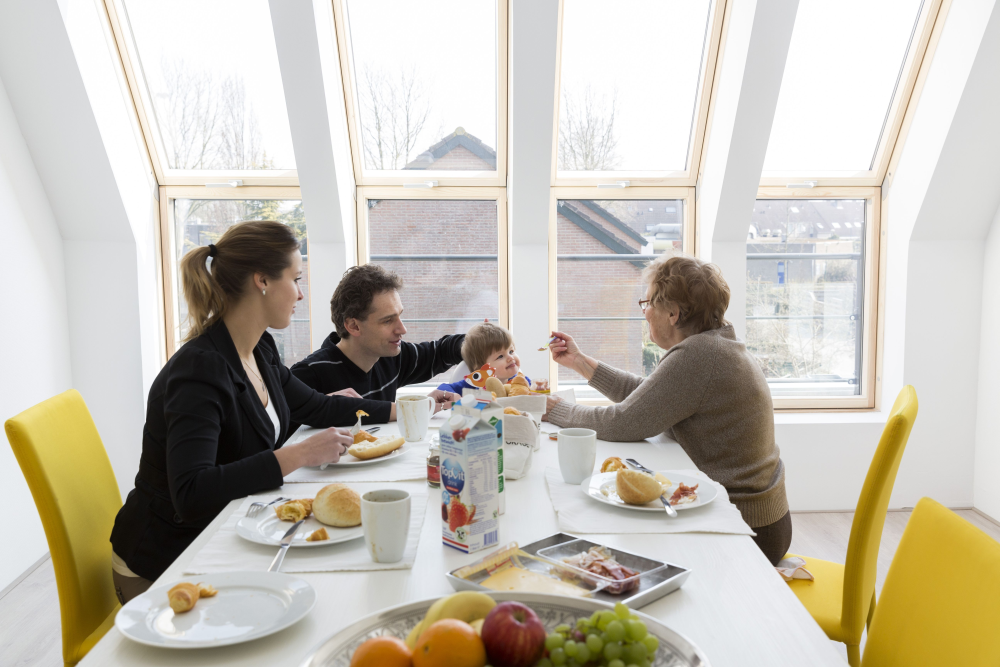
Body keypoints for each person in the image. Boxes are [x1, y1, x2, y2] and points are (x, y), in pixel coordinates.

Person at [110, 221, 382, 603]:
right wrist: (297, 455)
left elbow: (316, 405)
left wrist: (406, 409)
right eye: (296, 278)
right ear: (262, 281)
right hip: (168, 563)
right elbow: (192, 492)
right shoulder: (199, 371)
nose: (301, 295)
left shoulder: (259, 348)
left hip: (221, 531)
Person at [544, 255, 791, 565]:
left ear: (672, 313)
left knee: (610, 536)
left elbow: (624, 422)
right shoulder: (716, 345)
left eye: (648, 303)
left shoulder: (699, 355)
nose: (645, 312)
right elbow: (654, 398)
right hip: (762, 519)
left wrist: (553, 409)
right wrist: (581, 362)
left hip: (745, 528)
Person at [290, 264, 463, 419]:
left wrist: (480, 342)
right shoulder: (307, 376)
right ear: (353, 326)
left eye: (399, 315)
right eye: (387, 320)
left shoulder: (390, 357)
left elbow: (442, 351)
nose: (402, 330)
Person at [436, 321, 531, 395]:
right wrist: (455, 398)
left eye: (511, 351)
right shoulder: (474, 384)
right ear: (481, 368)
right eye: (500, 356)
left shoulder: (520, 382)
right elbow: (442, 389)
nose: (511, 357)